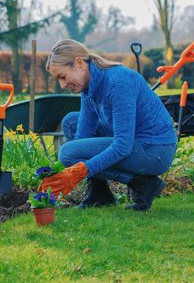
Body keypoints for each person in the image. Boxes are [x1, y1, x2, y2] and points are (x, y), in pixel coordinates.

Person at [39, 39, 177, 211]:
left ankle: (142, 183)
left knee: (67, 153)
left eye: (63, 76)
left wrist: (79, 170)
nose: (62, 85)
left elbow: (122, 146)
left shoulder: (118, 82)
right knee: (71, 123)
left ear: (79, 63)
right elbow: (82, 138)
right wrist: (59, 172)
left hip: (156, 150)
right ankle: (99, 194)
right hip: (136, 142)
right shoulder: (89, 87)